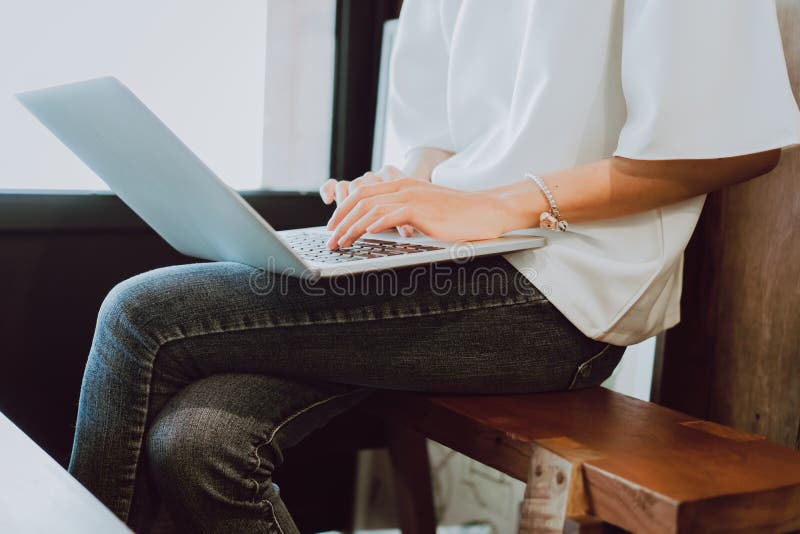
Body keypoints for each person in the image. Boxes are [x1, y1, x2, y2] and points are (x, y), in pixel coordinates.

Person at [68, 1, 800, 532]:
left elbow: (734, 144)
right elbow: (440, 139)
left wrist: (500, 205)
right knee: (197, 443)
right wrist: (402, 194)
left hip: (560, 291)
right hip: (449, 261)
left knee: (141, 314)